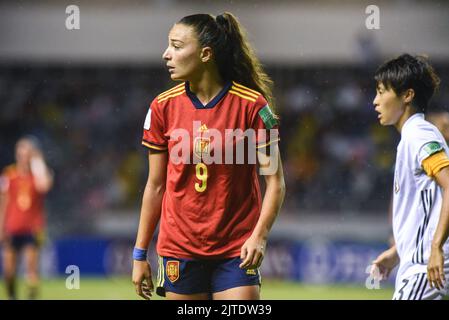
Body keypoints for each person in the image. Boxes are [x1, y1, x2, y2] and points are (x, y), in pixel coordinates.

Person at [132, 12, 285, 300]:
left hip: (237, 248)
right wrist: (140, 254)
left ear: (205, 54)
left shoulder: (253, 107)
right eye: (168, 46)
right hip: (180, 248)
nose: (166, 55)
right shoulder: (161, 108)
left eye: (177, 47)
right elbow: (155, 186)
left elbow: (275, 182)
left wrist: (259, 236)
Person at [371, 54, 449, 300]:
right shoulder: (412, 136)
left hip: (425, 269)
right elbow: (426, 209)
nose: (375, 101)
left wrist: (435, 247)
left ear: (407, 95)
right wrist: (397, 252)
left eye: (382, 92)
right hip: (422, 263)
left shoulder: (418, 133)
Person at [0, 136, 54, 299]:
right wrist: (1, 227)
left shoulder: (37, 175)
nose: (23, 157)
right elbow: (4, 203)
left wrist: (38, 161)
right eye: (20, 153)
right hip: (13, 227)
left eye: (27, 154)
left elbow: (45, 186)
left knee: (31, 271)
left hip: (33, 227)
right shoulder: (9, 175)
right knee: (9, 271)